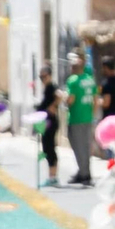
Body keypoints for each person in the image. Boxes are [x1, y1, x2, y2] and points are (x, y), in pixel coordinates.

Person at [64, 47, 97, 186]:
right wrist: (92, 115)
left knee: (78, 146)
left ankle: (84, 174)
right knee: (86, 146)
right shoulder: (90, 79)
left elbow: (70, 100)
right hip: (87, 117)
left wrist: (64, 99)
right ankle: (85, 171)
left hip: (76, 117)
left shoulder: (72, 81)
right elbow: (95, 100)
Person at [36, 70, 59, 181]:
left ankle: (53, 176)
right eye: (41, 77)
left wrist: (53, 106)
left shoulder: (51, 87)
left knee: (50, 148)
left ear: (49, 76)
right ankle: (51, 175)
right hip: (46, 122)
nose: (43, 80)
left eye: (44, 77)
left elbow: (59, 95)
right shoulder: (47, 88)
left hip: (50, 122)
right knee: (46, 147)